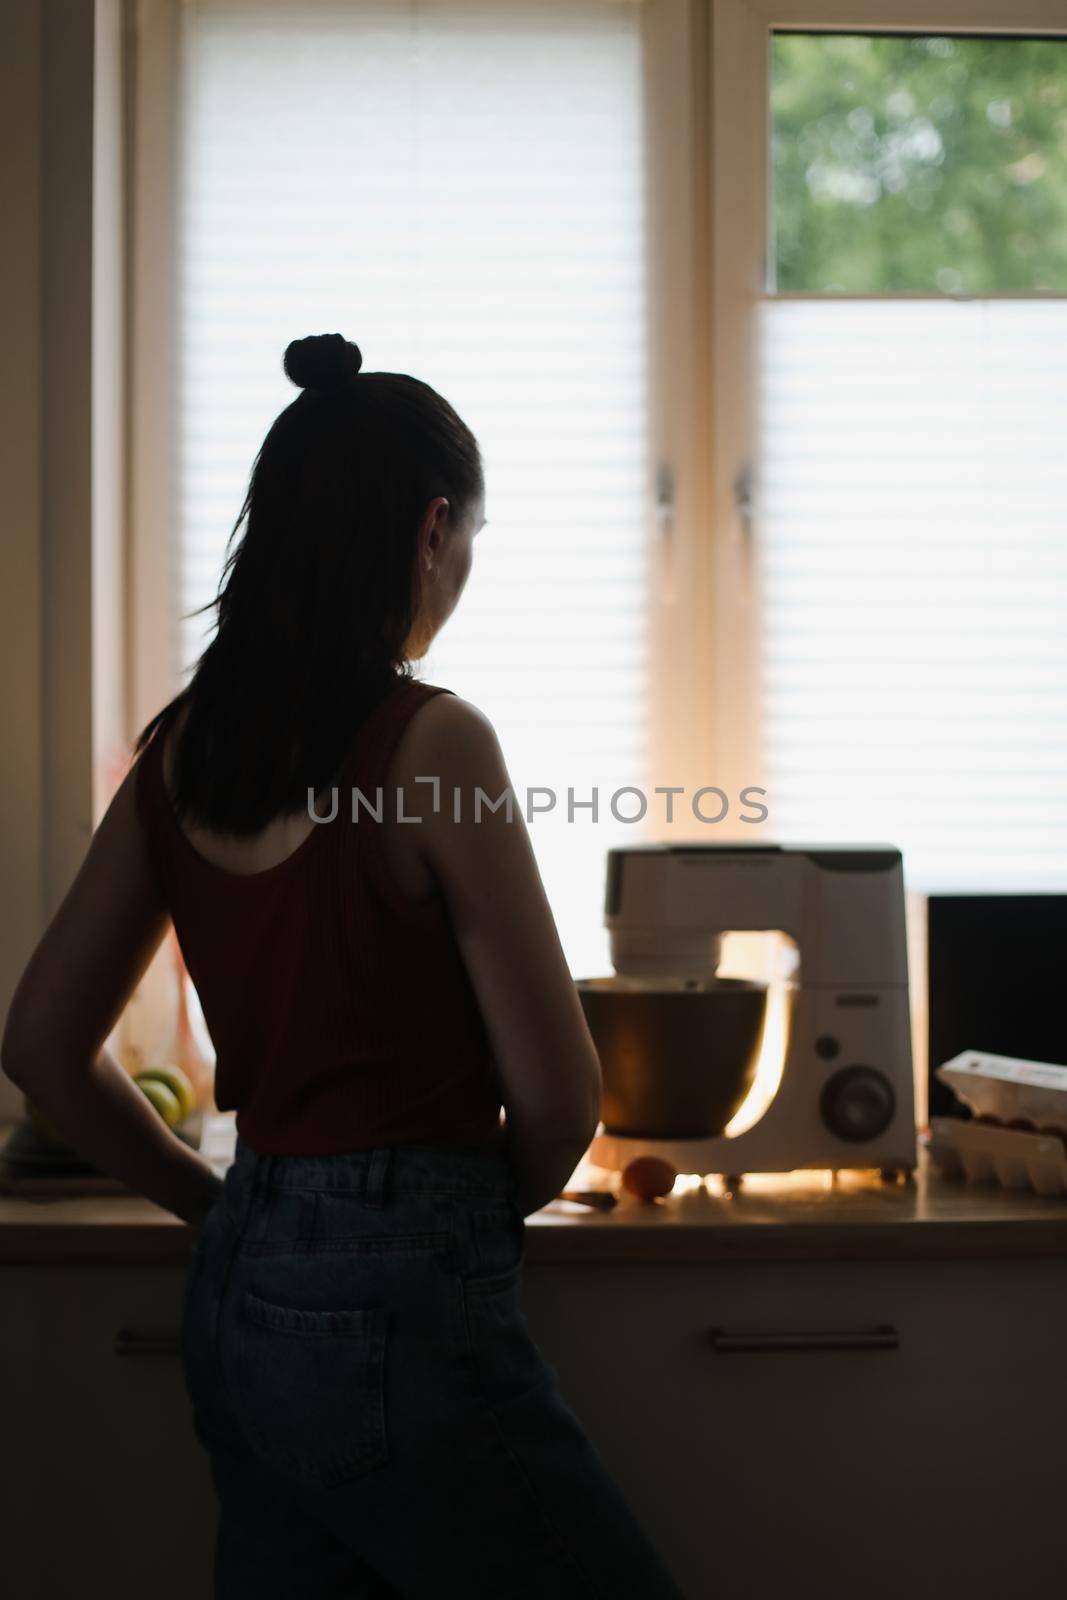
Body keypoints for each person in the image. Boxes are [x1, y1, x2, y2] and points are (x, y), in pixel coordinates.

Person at [2, 335, 684, 1599]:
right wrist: (449, 1225)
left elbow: (40, 1042)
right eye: (471, 541)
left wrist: (218, 1213)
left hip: (243, 1277)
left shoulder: (180, 754)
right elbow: (557, 1102)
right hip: (396, 1289)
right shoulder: (436, 743)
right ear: (432, 529)